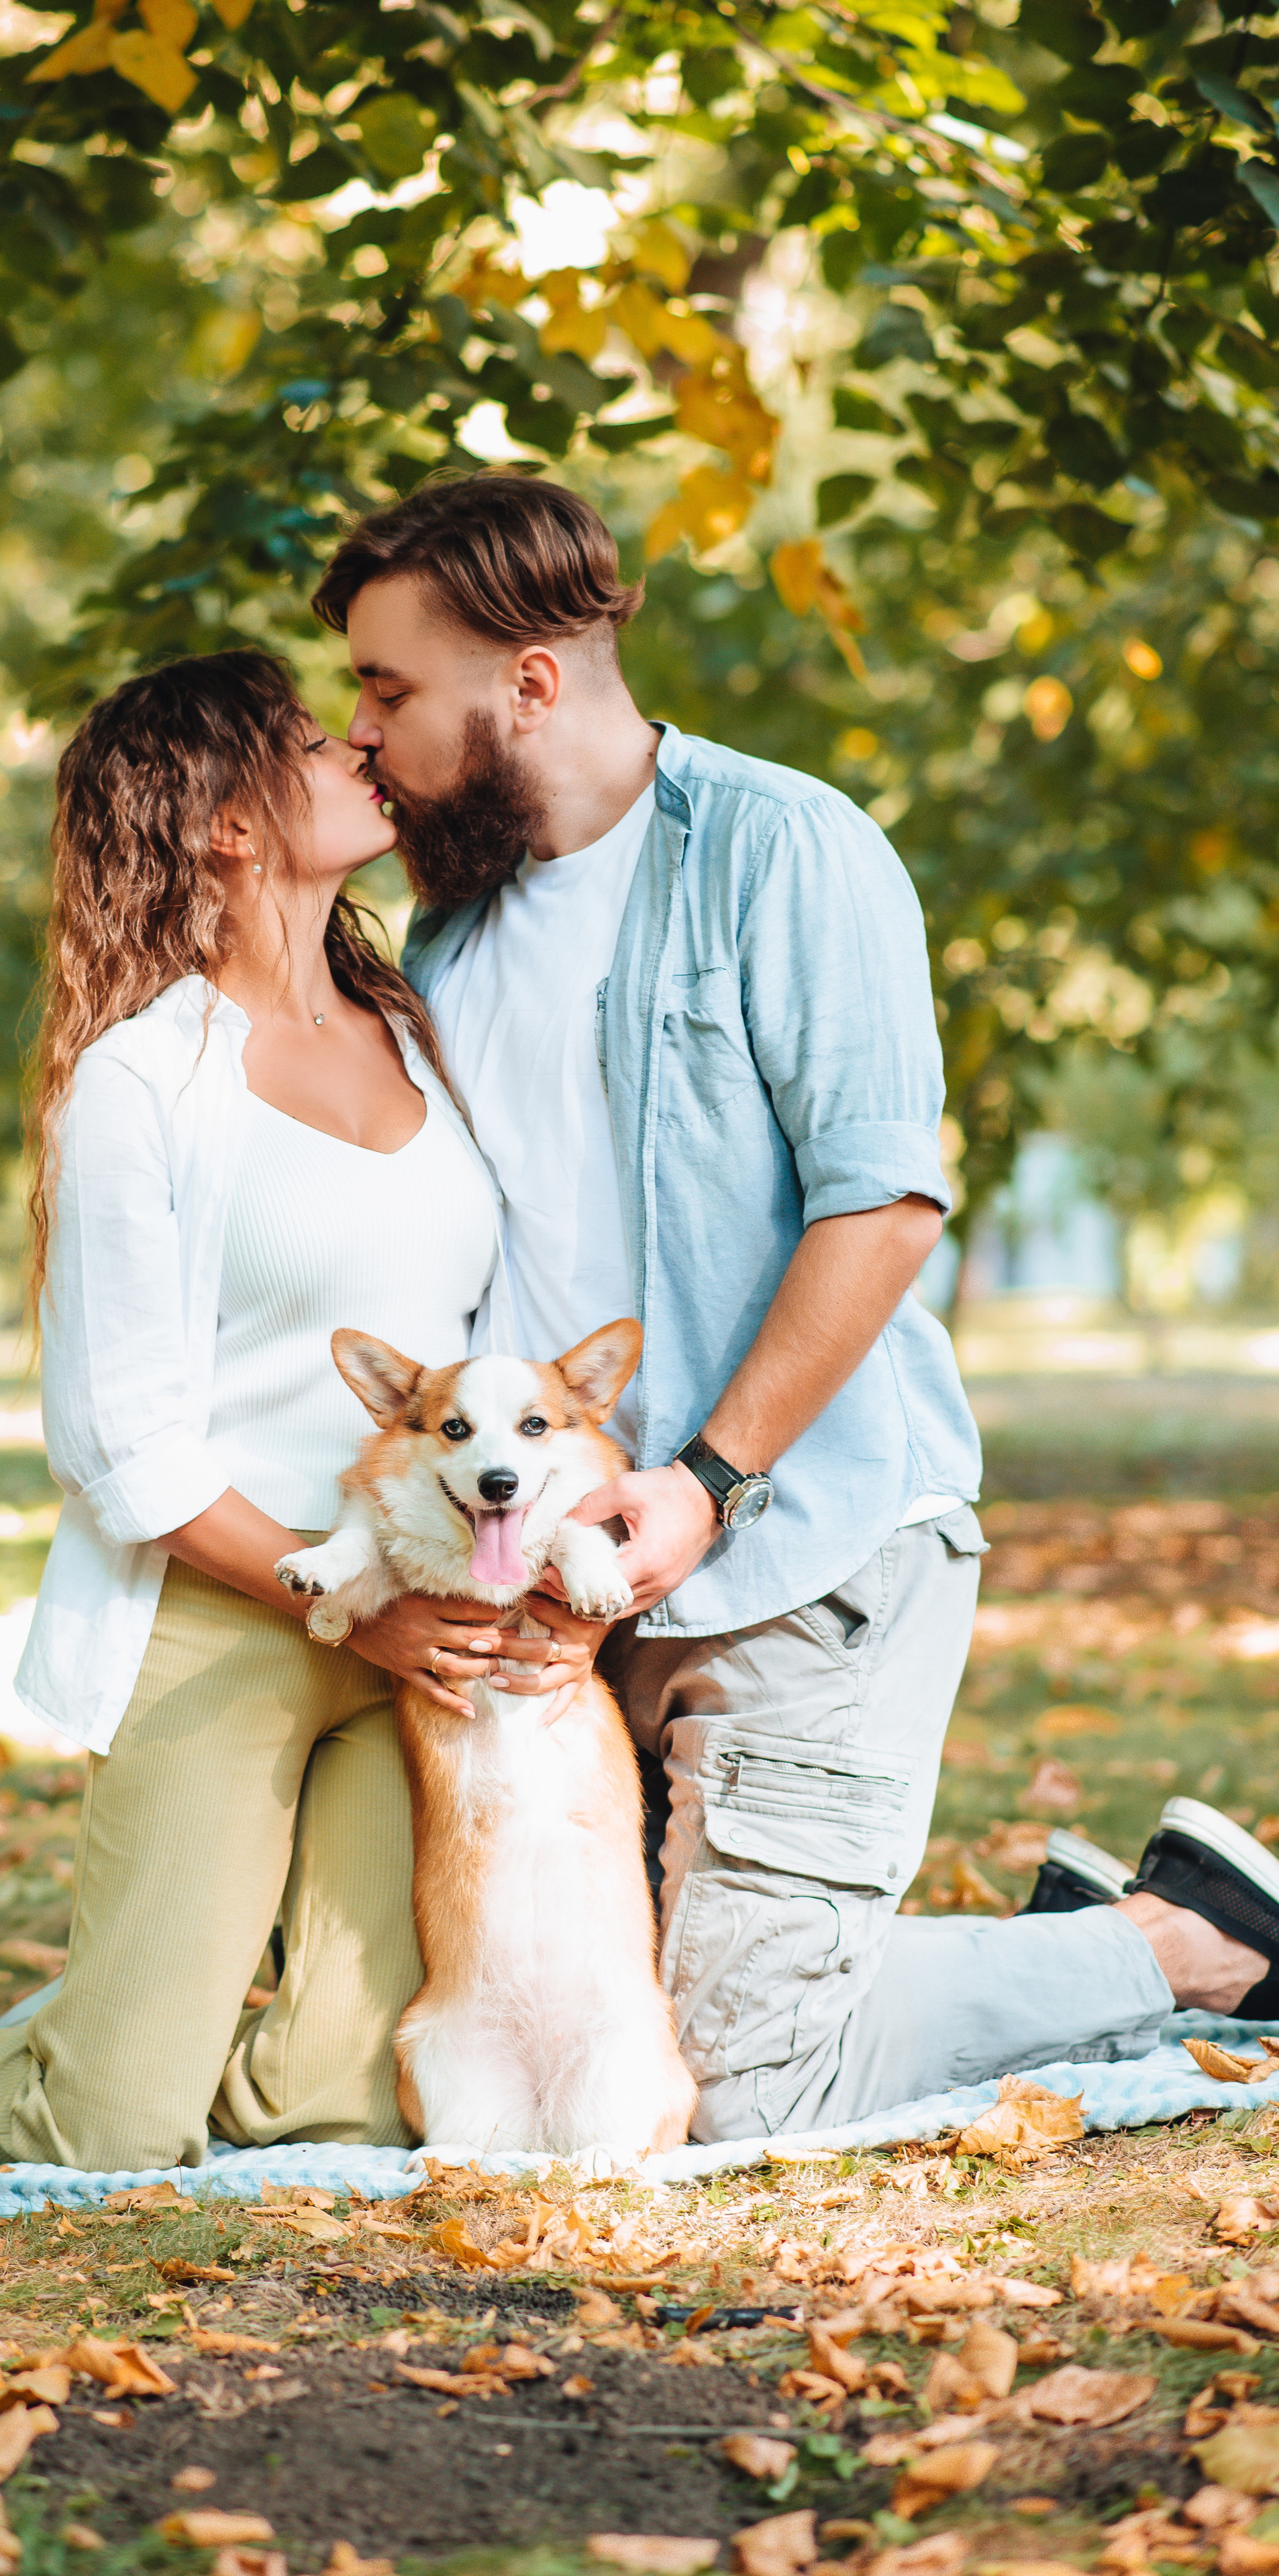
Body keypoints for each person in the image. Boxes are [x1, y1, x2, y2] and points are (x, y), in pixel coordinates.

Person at [310, 471, 1279, 2142]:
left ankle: (1178, 1939)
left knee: (739, 2076)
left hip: (805, 1538)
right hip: (573, 1577)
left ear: (527, 683)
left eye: (388, 690)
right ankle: (980, 1935)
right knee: (567, 2028)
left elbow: (884, 1203)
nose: (361, 731)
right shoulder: (449, 928)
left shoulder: (786, 849)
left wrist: (706, 1477)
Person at [0, 647, 595, 2173]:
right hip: (226, 1616)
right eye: (304, 737)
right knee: (108, 2125)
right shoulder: (142, 1082)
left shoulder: (417, 1023)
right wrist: (347, 1602)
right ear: (224, 821)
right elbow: (119, 1443)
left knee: (339, 2106)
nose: (357, 740)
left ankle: (122, 2017)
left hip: (423, 1607)